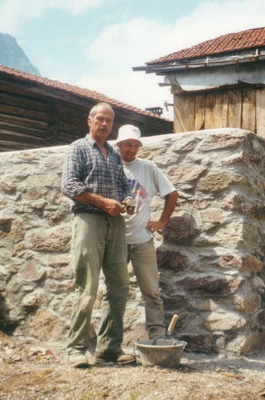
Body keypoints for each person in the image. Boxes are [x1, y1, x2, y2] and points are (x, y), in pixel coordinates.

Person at [61, 103, 136, 368]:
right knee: (88, 287)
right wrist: (103, 202)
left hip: (115, 223)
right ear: (90, 121)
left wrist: (126, 199)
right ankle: (76, 348)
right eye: (100, 119)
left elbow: (123, 185)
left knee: (120, 286)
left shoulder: (114, 155)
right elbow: (69, 185)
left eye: (108, 121)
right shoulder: (78, 148)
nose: (104, 125)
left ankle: (109, 348)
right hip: (89, 219)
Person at [116, 124, 179, 339]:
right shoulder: (110, 166)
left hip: (142, 240)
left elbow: (171, 193)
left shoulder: (148, 167)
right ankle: (112, 341)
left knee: (151, 291)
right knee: (115, 292)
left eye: (135, 145)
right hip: (116, 241)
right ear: (119, 144)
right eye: (127, 145)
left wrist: (162, 221)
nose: (131, 150)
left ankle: (158, 336)